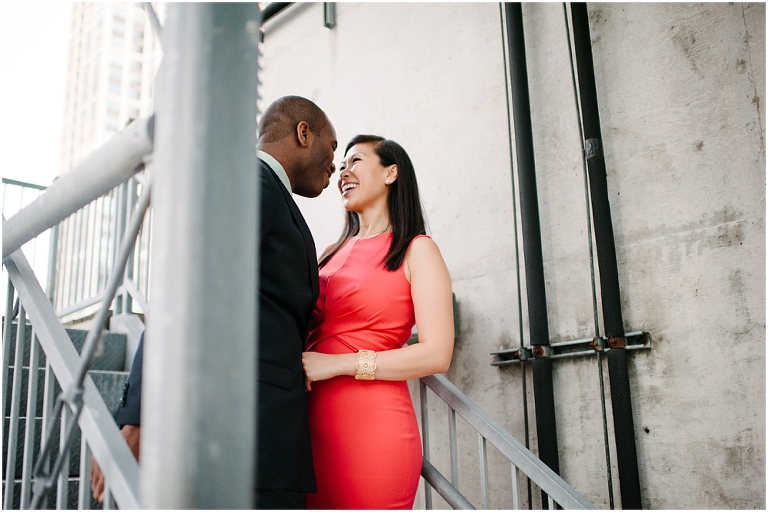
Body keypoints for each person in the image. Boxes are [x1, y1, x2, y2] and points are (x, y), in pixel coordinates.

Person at [91, 96, 338, 509]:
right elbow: (186, 292)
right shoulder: (251, 183)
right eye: (332, 147)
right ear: (303, 132)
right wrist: (138, 414)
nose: (334, 164)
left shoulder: (271, 193)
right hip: (243, 443)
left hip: (265, 442)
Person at [302, 135, 454, 509]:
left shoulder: (418, 250)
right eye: (341, 166)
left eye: (355, 161)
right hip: (306, 428)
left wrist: (334, 365)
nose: (343, 172)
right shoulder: (328, 254)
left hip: (371, 431)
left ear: (391, 172)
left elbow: (436, 354)